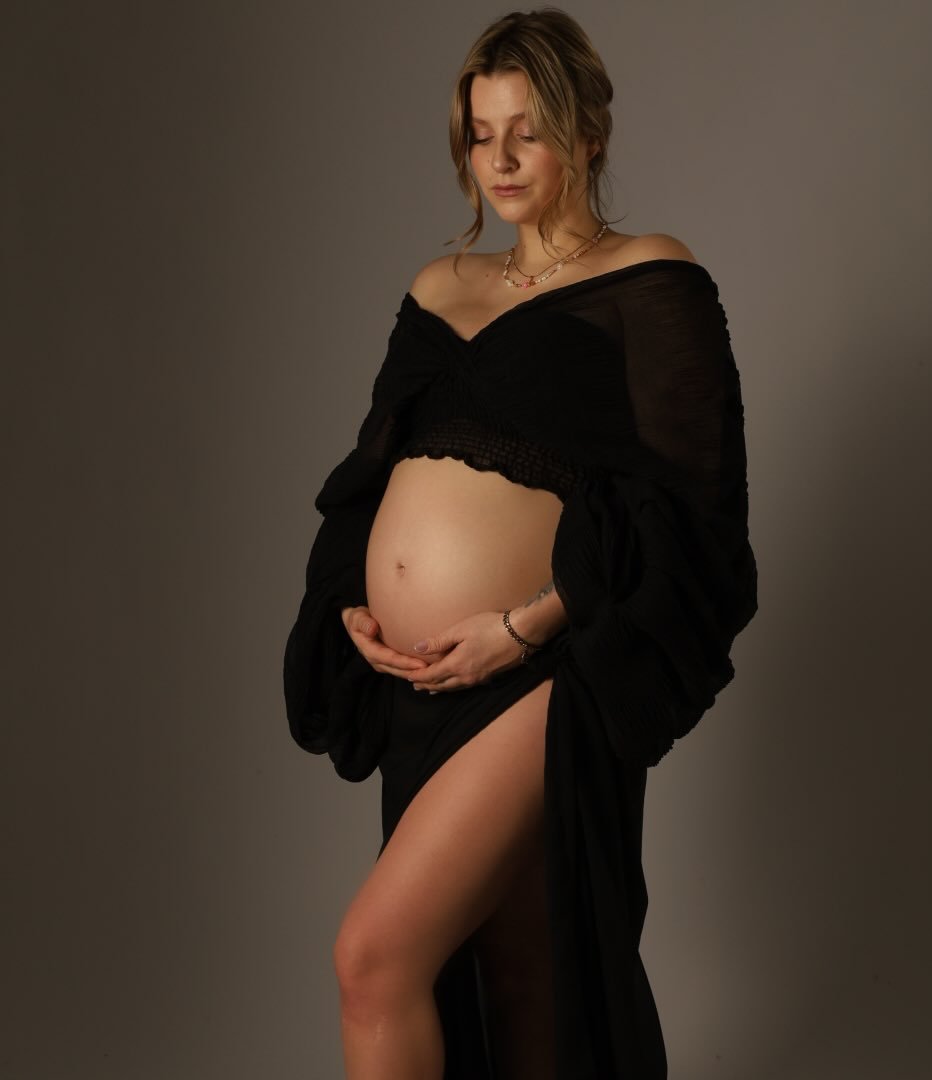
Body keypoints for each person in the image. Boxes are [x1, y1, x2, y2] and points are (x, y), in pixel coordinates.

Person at [283, 8, 757, 1078]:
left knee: (374, 960)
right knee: (519, 979)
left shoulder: (649, 278)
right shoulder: (436, 288)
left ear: (587, 133)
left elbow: (696, 515)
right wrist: (354, 597)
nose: (496, 159)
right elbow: (367, 480)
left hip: (542, 671)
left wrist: (527, 624)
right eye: (480, 133)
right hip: (422, 681)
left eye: (526, 133)